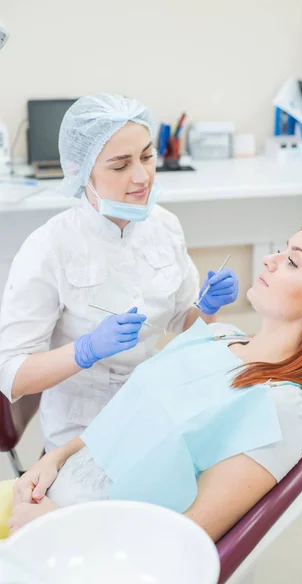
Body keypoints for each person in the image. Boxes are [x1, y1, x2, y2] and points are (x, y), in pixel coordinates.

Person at [7, 219, 302, 542]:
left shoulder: (278, 411)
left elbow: (183, 541)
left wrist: (55, 528)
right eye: (283, 249)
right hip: (45, 491)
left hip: (84, 547)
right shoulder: (217, 333)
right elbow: (122, 420)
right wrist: (52, 460)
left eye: (291, 261)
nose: (270, 260)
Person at [0, 94, 238, 451]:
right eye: (119, 165)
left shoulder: (165, 226)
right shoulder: (49, 247)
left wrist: (206, 306)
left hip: (149, 405)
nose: (142, 177)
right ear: (82, 172)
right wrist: (85, 350)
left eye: (146, 156)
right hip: (79, 428)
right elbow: (13, 374)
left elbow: (182, 322)